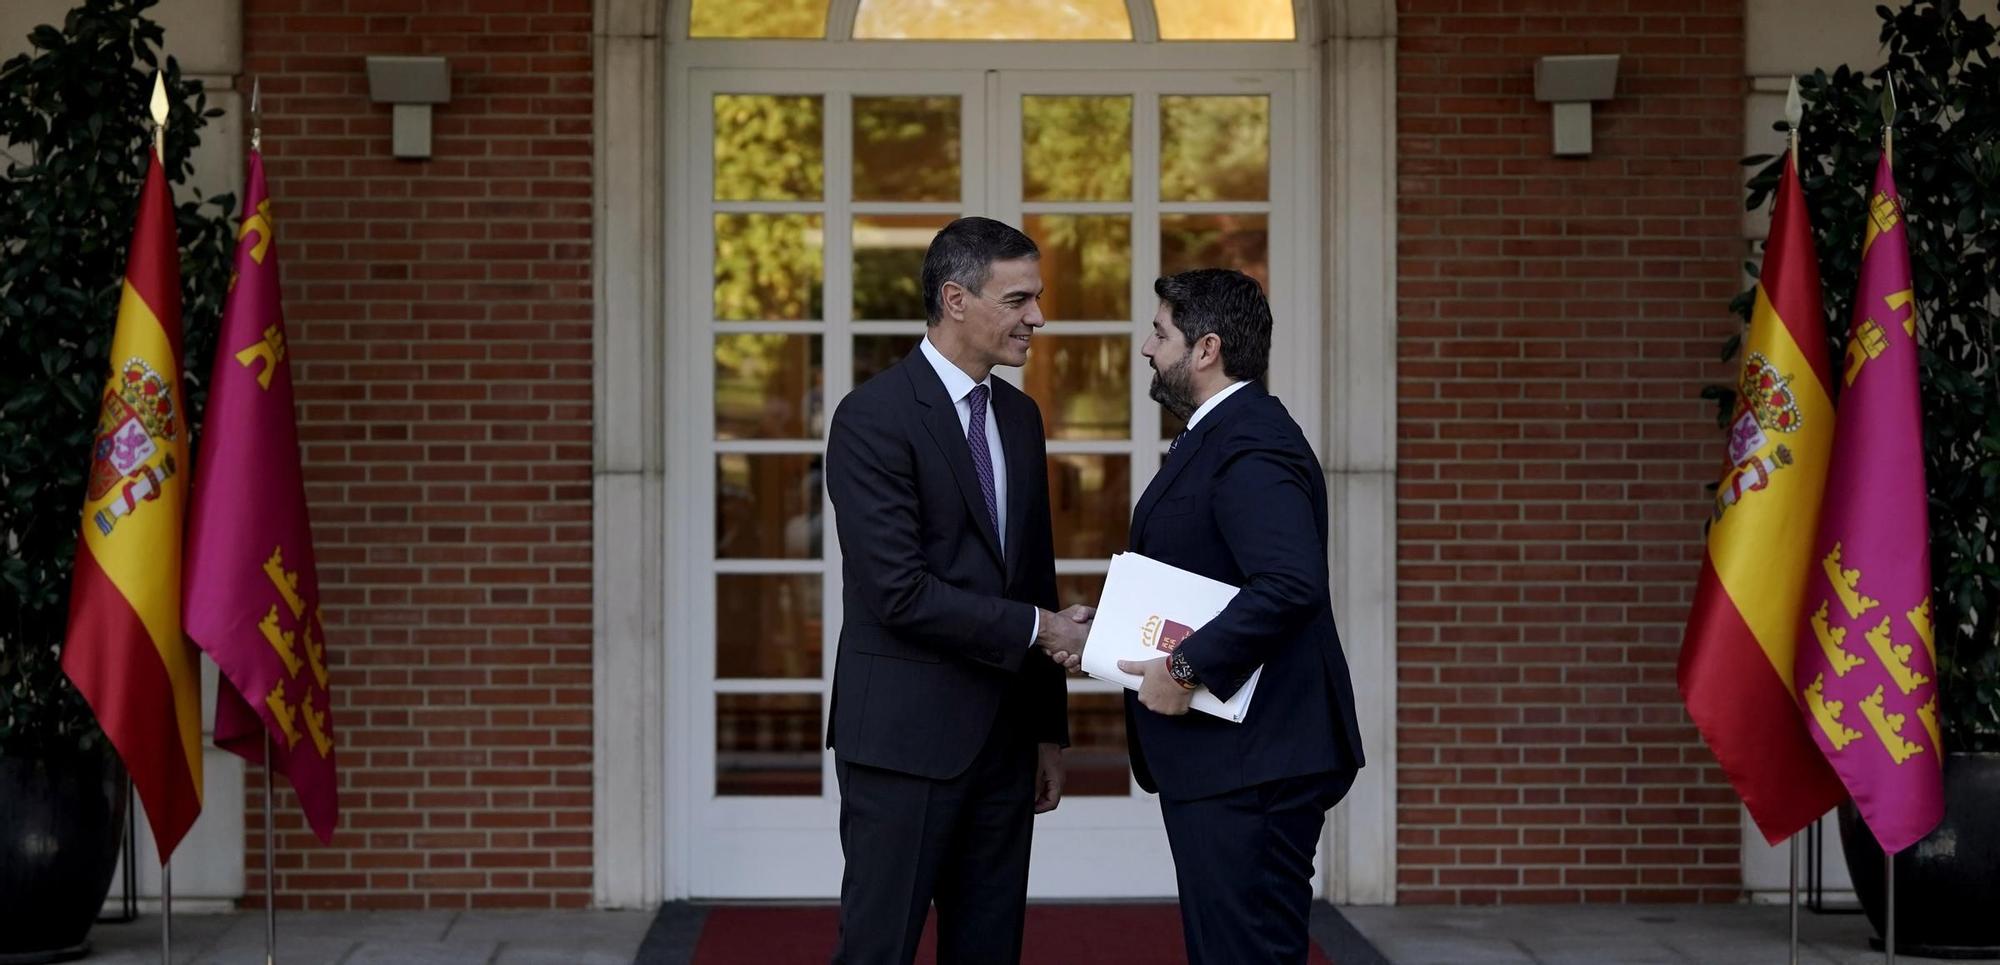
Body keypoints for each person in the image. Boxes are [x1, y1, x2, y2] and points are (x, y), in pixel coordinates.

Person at [823, 216, 1091, 965]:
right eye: (1019, 300)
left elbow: (1034, 574)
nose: (1036, 317)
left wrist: (1047, 730)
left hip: (1006, 746)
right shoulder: (872, 419)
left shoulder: (1020, 417)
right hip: (904, 747)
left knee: (989, 951)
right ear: (956, 299)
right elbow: (898, 591)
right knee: (877, 950)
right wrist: (1042, 629)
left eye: (1036, 299)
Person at [1112, 268, 1366, 963]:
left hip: (1254, 764)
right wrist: (1102, 637)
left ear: (1207, 349)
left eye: (1160, 333)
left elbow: (1288, 584)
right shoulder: (1221, 434)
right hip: (1232, 759)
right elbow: (1210, 578)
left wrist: (1187, 666)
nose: (1146, 347)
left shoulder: (1252, 442)